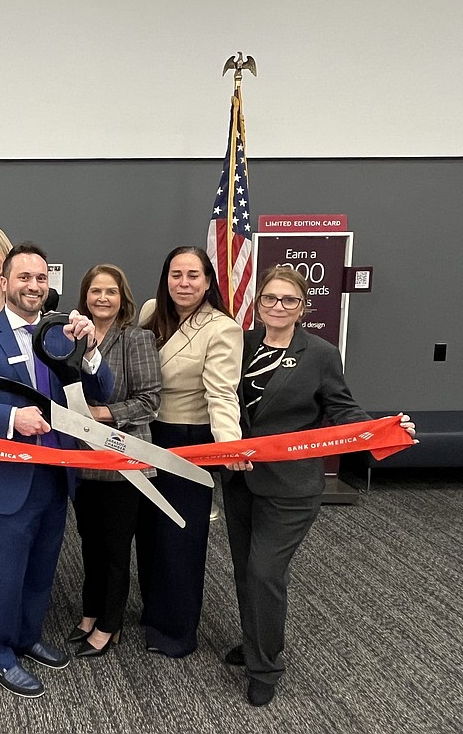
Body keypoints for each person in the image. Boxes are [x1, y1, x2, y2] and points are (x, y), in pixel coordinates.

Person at [220, 266, 415, 706]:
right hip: (241, 480)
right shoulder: (241, 343)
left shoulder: (321, 354)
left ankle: (266, 668)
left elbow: (342, 410)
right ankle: (256, 642)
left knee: (265, 573)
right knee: (245, 571)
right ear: (259, 303)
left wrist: (384, 430)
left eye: (289, 300)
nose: (278, 307)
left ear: (303, 306)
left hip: (292, 487)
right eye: (270, 298)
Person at [0, 243, 113, 698]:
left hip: (56, 476)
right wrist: (11, 421)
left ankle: (27, 636)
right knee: (4, 572)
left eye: (41, 279)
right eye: (24, 278)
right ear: (4, 282)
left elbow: (101, 390)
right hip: (6, 479)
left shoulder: (60, 334)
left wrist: (90, 347)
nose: (34, 286)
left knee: (41, 567)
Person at [136, 245, 242, 658]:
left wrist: (229, 446)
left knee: (180, 536)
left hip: (188, 441)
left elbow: (222, 394)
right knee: (148, 533)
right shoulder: (150, 312)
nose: (183, 283)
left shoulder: (221, 328)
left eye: (193, 275)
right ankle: (152, 611)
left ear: (208, 281)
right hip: (145, 434)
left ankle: (176, 631)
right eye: (176, 274)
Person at [68, 264, 161, 658]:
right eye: (95, 291)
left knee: (116, 548)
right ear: (84, 297)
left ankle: (110, 624)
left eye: (110, 291)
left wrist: (99, 413)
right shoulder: (73, 339)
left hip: (126, 463)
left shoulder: (136, 339)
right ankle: (90, 613)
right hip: (84, 462)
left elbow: (149, 401)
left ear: (123, 298)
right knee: (90, 545)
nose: (102, 298)